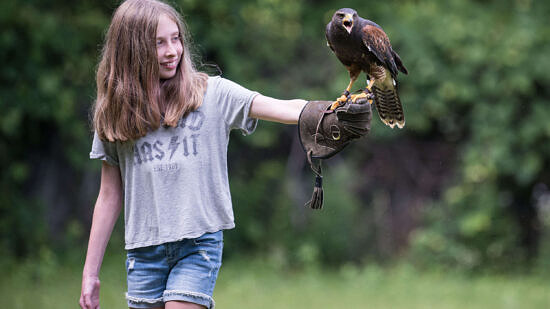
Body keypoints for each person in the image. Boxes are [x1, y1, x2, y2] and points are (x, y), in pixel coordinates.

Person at [79, 0, 371, 308]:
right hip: (143, 253)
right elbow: (109, 194)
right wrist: (90, 273)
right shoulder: (116, 112)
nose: (172, 51)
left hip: (198, 246)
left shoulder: (211, 94)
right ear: (131, 50)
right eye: (158, 43)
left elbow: (282, 106)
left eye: (176, 38)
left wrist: (333, 110)